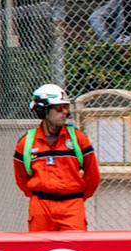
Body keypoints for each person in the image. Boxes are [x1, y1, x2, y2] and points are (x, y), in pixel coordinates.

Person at [12, 83, 100, 232]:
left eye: (66, 107)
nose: (65, 112)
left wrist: (77, 197)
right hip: (40, 207)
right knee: (40, 250)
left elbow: (93, 176)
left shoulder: (78, 139)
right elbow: (21, 178)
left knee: (76, 249)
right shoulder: (26, 143)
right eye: (59, 108)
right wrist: (38, 195)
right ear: (42, 110)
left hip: (72, 206)